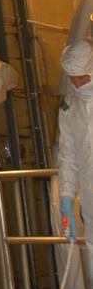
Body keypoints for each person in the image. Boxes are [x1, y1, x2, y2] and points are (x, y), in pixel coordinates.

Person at [57, 36, 93, 243]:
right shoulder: (70, 107)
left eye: (83, 77)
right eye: (73, 78)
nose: (78, 83)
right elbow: (68, 156)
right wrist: (66, 199)